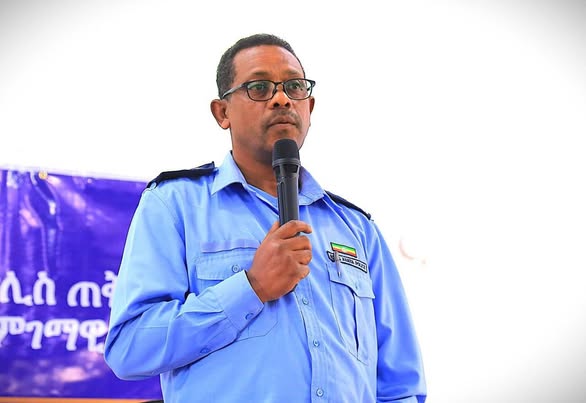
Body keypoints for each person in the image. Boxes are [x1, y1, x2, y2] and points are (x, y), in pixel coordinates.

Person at [104, 33, 427, 403]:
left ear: (310, 107)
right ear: (222, 113)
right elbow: (130, 348)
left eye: (295, 87)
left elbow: (401, 385)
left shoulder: (357, 228)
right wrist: (251, 287)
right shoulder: (174, 204)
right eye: (259, 87)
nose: (282, 98)